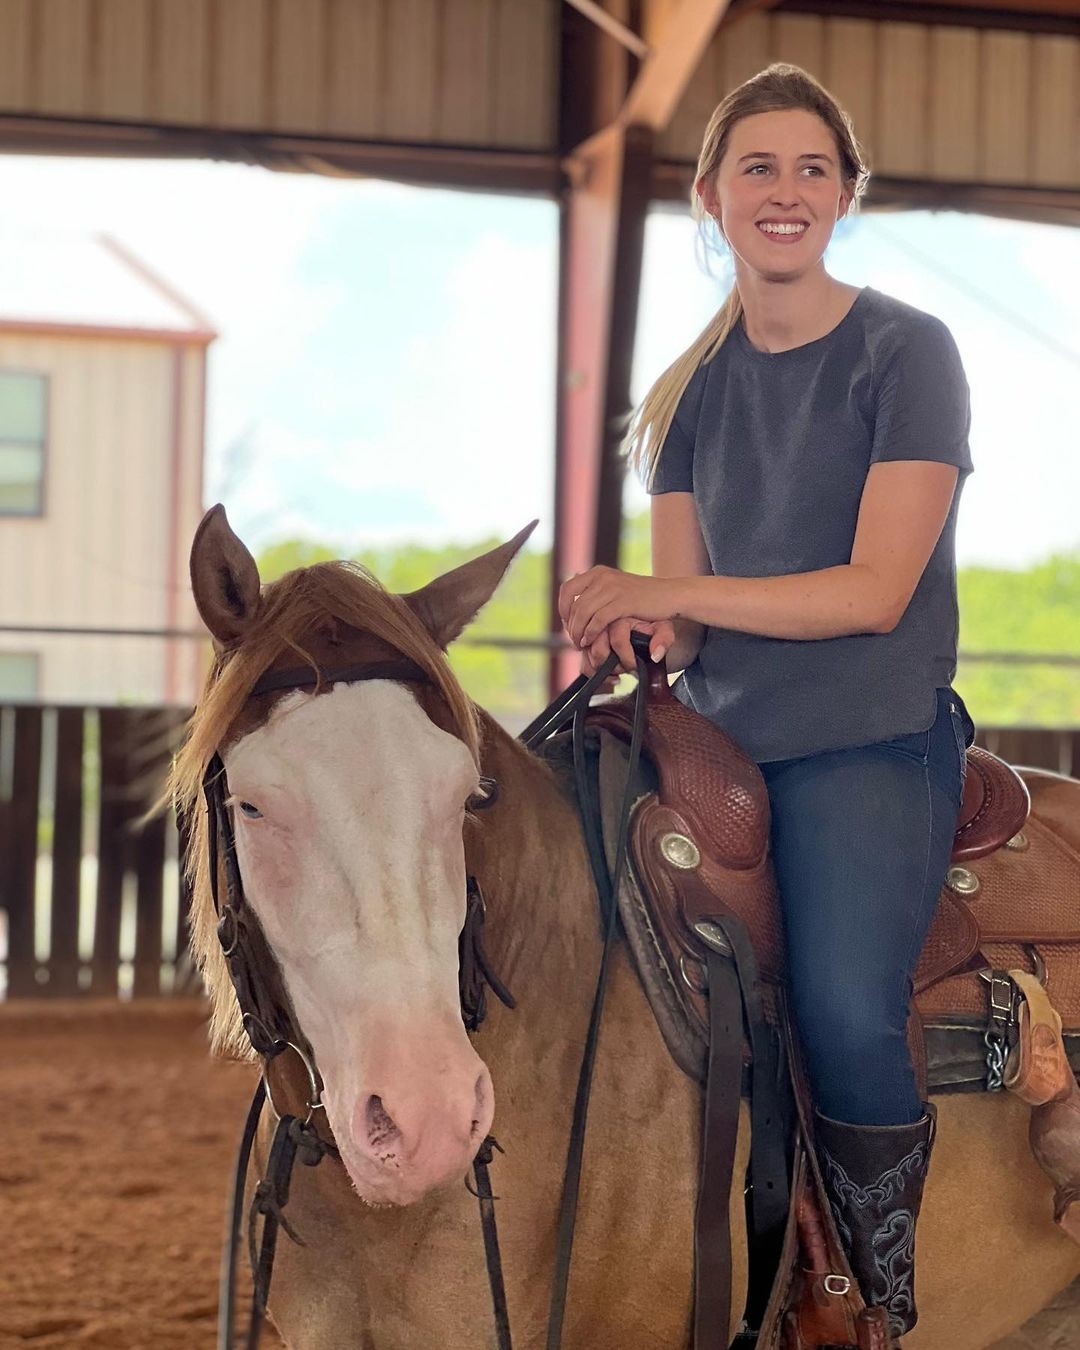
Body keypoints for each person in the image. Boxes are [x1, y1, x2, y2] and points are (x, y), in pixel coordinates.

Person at [557, 62, 974, 1339]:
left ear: (845, 196)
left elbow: (873, 593)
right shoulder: (687, 394)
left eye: (810, 169)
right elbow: (684, 608)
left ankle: (876, 1300)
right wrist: (632, 611)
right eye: (758, 167)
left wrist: (676, 588)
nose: (784, 191)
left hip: (868, 742)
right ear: (708, 196)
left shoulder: (907, 353)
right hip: (722, 744)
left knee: (848, 1012)